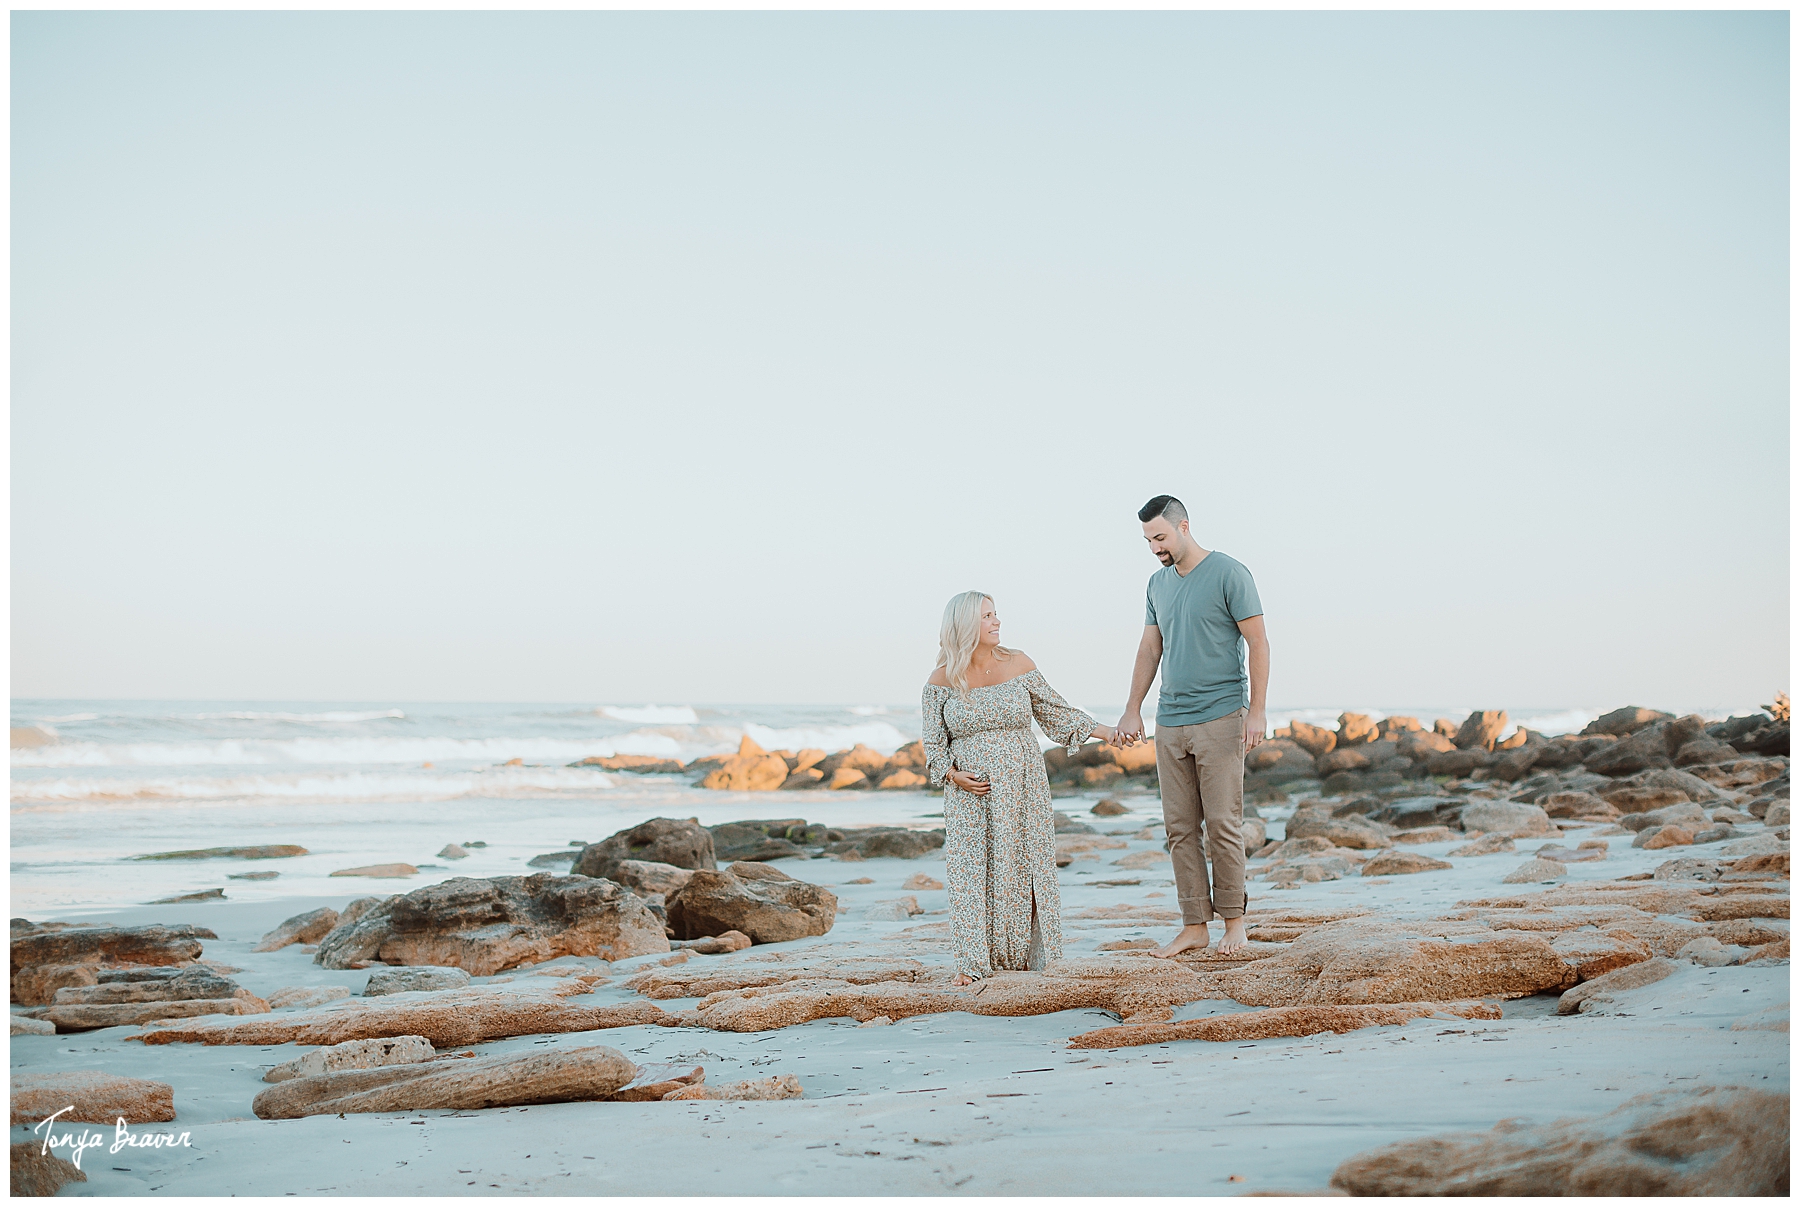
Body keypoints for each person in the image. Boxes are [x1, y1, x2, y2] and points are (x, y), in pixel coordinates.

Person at [922, 591, 1119, 986]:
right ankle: (973, 962)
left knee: (1024, 865)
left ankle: (1029, 958)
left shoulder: (1019, 662)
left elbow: (1056, 713)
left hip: (1023, 785)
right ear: (964, 626)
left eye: (996, 614)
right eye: (987, 617)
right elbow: (932, 744)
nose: (997, 622)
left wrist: (1110, 734)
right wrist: (952, 775)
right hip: (969, 795)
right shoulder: (942, 679)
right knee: (970, 871)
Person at [1114, 495, 1269, 958]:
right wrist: (1132, 708)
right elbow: (1149, 648)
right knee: (1179, 829)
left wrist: (1256, 710)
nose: (1154, 547)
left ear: (1184, 526)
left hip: (1221, 715)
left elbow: (1258, 642)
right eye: (1148, 540)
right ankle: (1194, 925)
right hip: (1170, 721)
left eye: (1160, 537)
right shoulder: (1156, 585)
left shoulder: (1229, 572)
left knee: (1223, 824)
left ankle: (1234, 924)